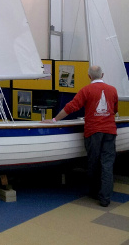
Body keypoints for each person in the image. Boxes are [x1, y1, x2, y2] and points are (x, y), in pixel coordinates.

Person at [44, 65, 118, 207]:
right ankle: (105, 198)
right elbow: (114, 110)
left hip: (93, 131)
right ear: (102, 75)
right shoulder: (112, 90)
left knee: (94, 162)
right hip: (110, 131)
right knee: (107, 164)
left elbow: (71, 107)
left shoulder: (86, 90)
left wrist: (54, 120)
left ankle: (94, 192)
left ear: (89, 76)